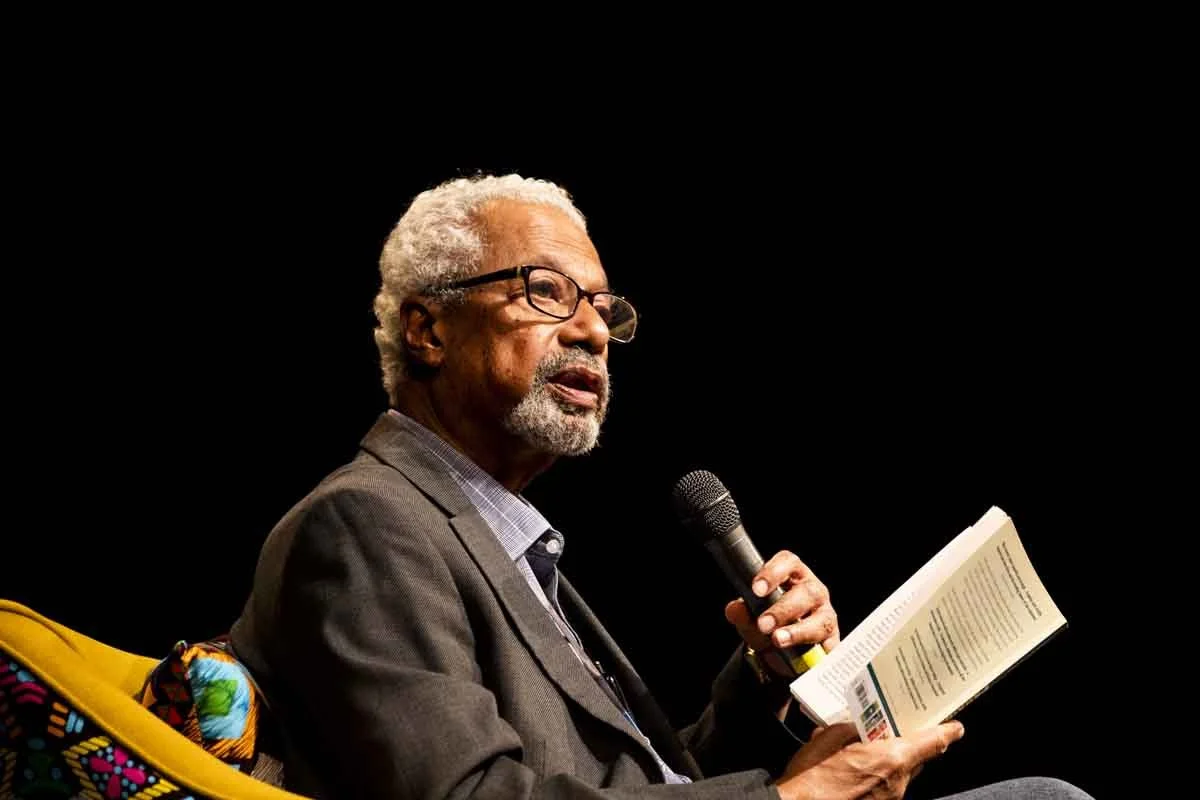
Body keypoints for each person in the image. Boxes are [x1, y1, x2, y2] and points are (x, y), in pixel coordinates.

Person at [229, 174, 1093, 799]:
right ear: (427, 329)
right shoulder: (365, 523)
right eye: (546, 291)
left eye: (603, 308)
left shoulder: (506, 538)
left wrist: (763, 684)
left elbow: (652, 782)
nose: (591, 332)